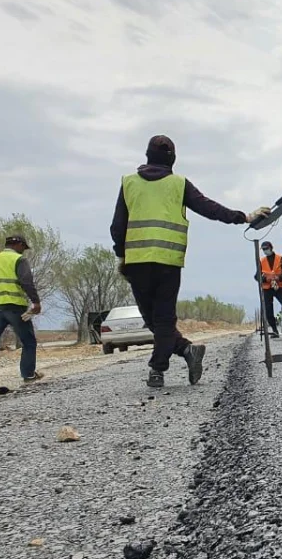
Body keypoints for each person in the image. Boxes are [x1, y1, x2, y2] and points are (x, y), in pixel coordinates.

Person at [110, 135, 270, 388]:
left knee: (155, 319)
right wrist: (245, 217)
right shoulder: (178, 184)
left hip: (137, 261)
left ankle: (157, 368)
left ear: (147, 155)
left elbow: (117, 226)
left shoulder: (128, 183)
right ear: (172, 158)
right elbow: (208, 208)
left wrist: (122, 254)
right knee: (158, 320)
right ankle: (185, 350)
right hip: (167, 261)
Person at [0, 235, 44, 388]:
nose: (23, 252)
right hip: (14, 306)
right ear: (19, 244)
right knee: (28, 341)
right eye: (23, 248)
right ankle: (28, 375)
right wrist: (36, 302)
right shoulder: (18, 260)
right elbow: (26, 281)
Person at [258, 241, 282, 336]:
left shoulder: (280, 259)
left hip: (279, 287)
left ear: (271, 248)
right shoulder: (262, 261)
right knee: (268, 310)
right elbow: (257, 276)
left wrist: (279, 277)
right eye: (264, 249)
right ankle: (275, 330)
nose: (265, 251)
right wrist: (265, 278)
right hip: (267, 288)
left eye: (266, 249)